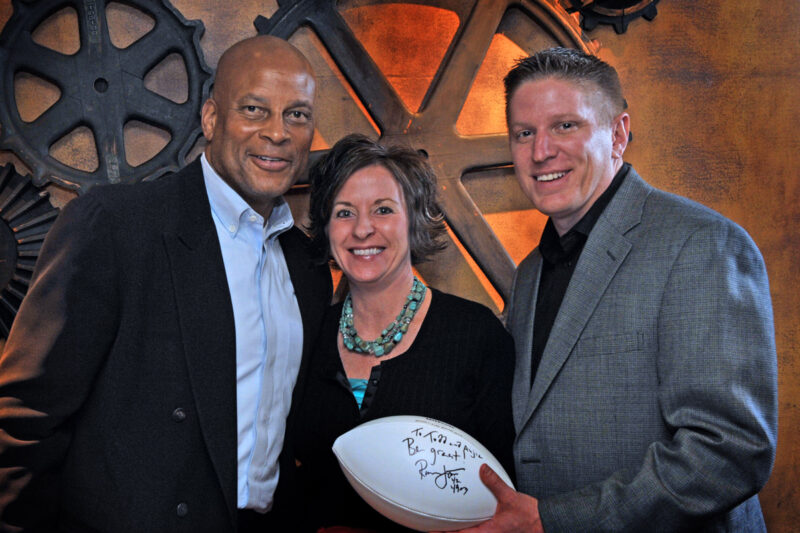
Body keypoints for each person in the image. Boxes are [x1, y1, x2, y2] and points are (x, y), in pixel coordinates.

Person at [0, 35, 331, 532]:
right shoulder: (115, 226)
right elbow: (25, 419)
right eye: (254, 109)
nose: (278, 133)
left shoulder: (307, 267)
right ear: (211, 119)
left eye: (297, 115)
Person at [457, 47, 778, 532]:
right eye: (524, 133)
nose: (541, 152)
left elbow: (729, 453)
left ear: (618, 134)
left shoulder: (701, 244)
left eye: (566, 125)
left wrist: (555, 520)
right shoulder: (530, 274)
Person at [291, 133, 516, 532]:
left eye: (383, 209)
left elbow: (502, 493)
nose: (363, 229)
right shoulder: (305, 334)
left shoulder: (476, 335)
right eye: (344, 212)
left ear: (413, 219)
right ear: (326, 229)